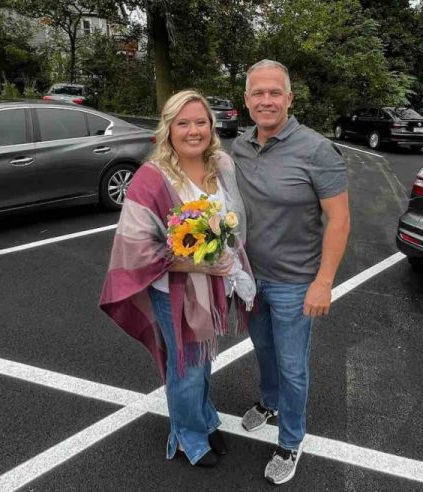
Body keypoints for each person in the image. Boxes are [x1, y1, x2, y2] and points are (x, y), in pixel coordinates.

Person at [99, 90, 254, 468]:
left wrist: (227, 257)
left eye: (201, 122)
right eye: (183, 123)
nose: (193, 130)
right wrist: (198, 265)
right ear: (168, 129)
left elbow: (234, 218)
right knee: (186, 363)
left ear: (212, 127)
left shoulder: (222, 165)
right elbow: (136, 248)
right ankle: (187, 436)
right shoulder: (152, 178)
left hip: (215, 283)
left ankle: (203, 416)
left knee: (202, 358)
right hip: (174, 288)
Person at [232, 60, 351, 484]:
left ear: (289, 99)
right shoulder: (240, 147)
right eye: (258, 93)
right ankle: (269, 402)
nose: (266, 100)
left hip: (295, 283)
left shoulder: (317, 150)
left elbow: (339, 220)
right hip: (249, 279)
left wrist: (323, 282)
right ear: (246, 100)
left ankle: (290, 440)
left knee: (293, 365)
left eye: (274, 93)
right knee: (263, 352)